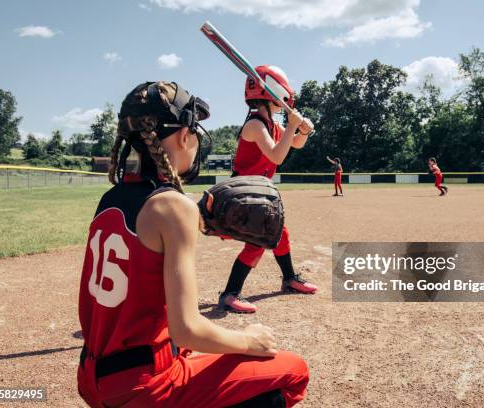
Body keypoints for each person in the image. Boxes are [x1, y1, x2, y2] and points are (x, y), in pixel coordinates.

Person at [77, 81, 309, 408]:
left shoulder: (110, 199)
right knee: (293, 372)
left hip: (94, 379)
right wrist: (247, 339)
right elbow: (187, 330)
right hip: (145, 386)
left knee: (187, 350)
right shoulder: (174, 206)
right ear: (184, 135)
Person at [219, 65, 318, 314]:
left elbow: (294, 143)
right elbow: (276, 156)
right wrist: (293, 125)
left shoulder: (271, 124)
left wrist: (302, 130)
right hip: (243, 195)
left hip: (259, 193)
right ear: (274, 94)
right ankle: (230, 294)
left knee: (279, 235)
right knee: (257, 242)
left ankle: (289, 278)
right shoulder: (255, 125)